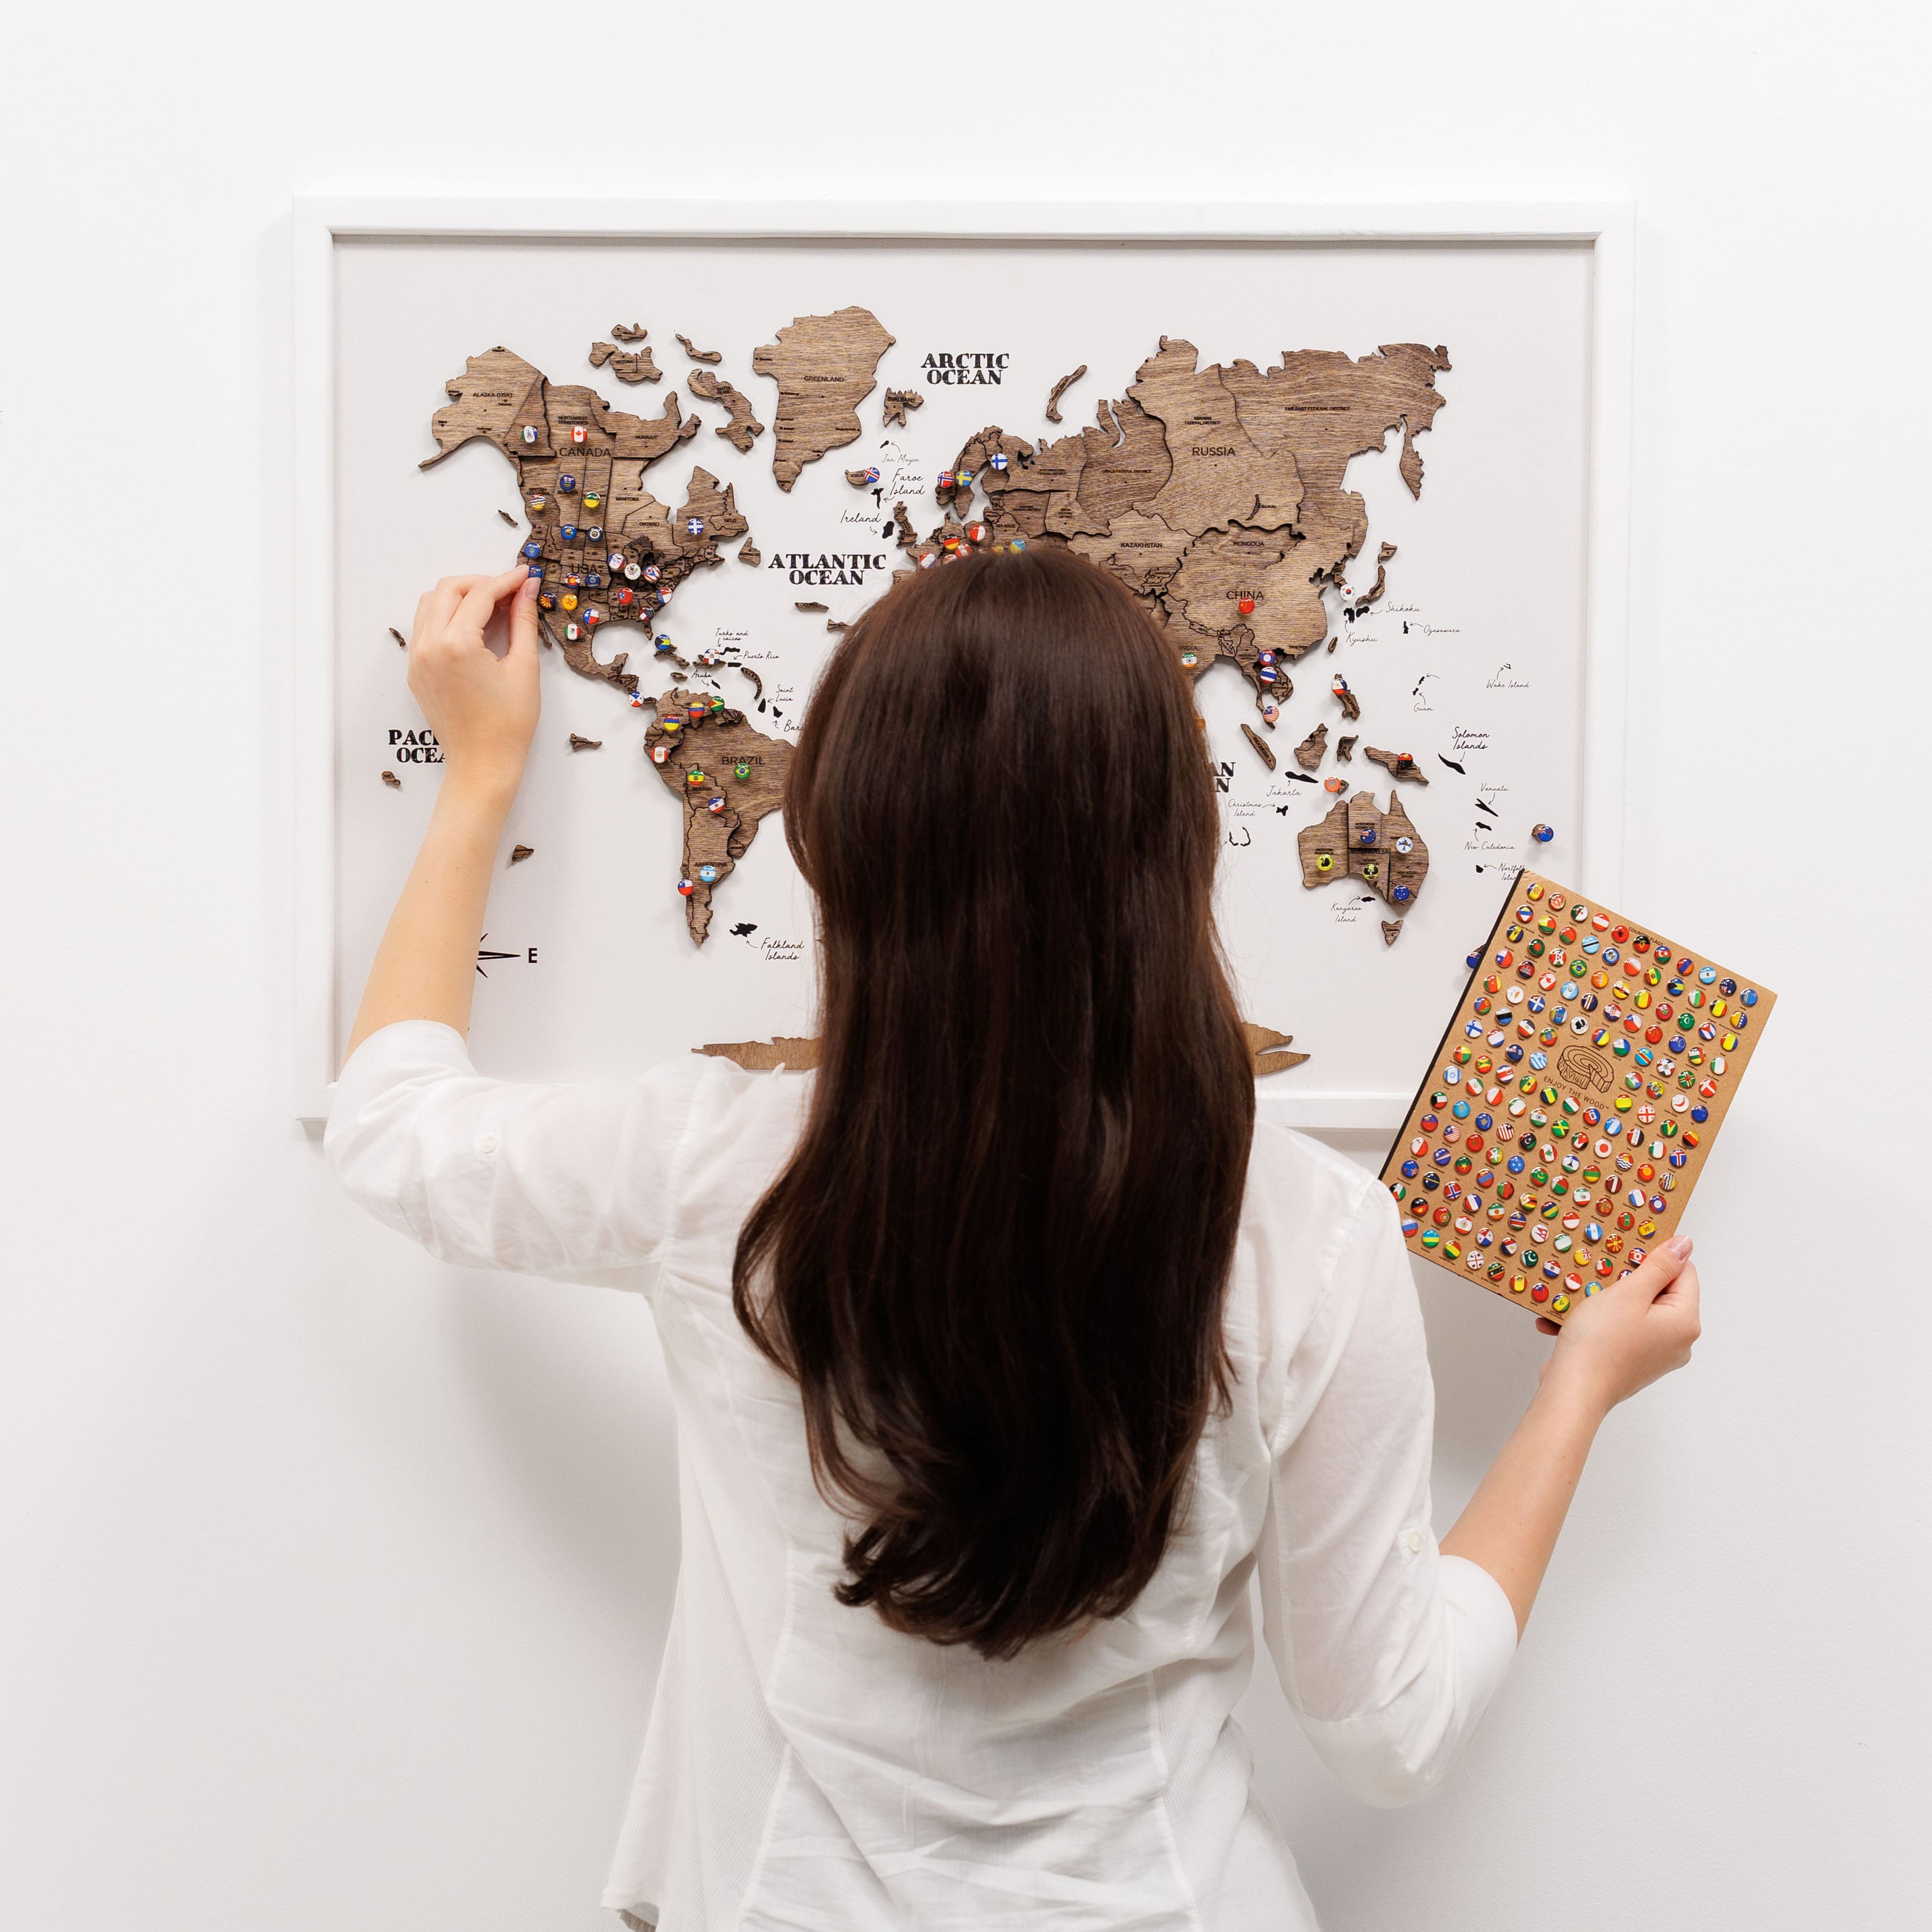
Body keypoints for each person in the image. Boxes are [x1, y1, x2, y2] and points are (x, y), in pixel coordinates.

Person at [328, 553, 1701, 1931]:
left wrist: (482, 773)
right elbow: (1388, 1729)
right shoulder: (1312, 1234)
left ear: (834, 844)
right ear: (1178, 844)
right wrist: (1575, 1389)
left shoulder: (714, 1168)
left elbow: (392, 1129)